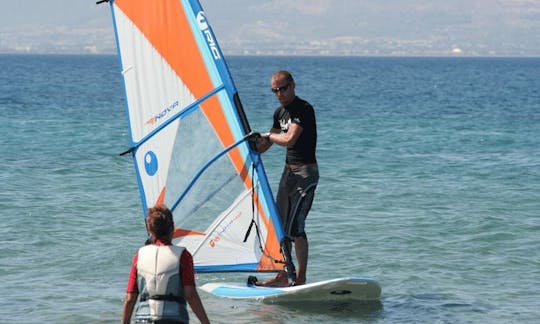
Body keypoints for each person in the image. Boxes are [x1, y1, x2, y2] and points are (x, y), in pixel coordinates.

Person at [256, 70, 318, 287]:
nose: (279, 94)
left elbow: (290, 139)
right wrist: (252, 141)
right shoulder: (279, 113)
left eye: (283, 88)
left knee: (296, 228)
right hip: (288, 173)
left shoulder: (304, 109)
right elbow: (265, 145)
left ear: (293, 86)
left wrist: (269, 136)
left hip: (305, 174)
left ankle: (300, 278)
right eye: (275, 90)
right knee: (280, 227)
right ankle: (283, 275)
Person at [121, 204, 210, 324]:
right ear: (172, 228)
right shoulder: (183, 256)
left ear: (149, 230)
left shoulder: (139, 256)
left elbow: (130, 299)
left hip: (143, 319)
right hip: (174, 319)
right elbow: (190, 295)